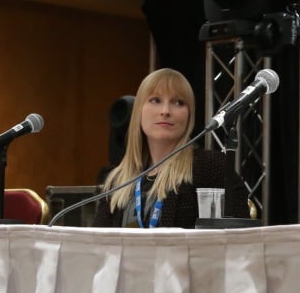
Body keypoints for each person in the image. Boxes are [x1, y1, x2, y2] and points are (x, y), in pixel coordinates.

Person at [93, 68, 250, 228]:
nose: (165, 111)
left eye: (178, 102)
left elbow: (242, 240)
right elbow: (96, 246)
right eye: (155, 100)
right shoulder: (117, 181)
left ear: (189, 115)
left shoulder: (210, 167)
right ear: (138, 110)